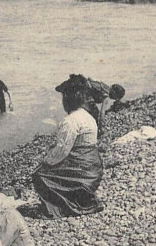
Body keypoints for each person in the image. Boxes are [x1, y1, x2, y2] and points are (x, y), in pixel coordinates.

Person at [32, 77, 104, 218]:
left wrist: (45, 162)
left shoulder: (70, 121)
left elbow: (62, 151)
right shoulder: (88, 117)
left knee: (39, 175)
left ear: (69, 99)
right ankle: (77, 200)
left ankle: (59, 208)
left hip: (83, 172)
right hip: (94, 170)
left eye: (64, 97)